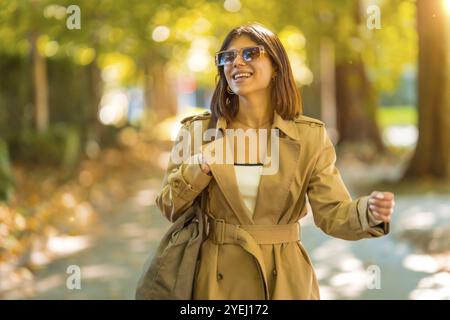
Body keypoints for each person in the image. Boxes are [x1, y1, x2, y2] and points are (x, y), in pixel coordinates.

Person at [155, 22, 395, 300]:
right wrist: (199, 166)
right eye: (228, 57)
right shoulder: (196, 132)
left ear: (276, 67)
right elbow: (169, 204)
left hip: (284, 281)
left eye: (250, 54)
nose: (236, 63)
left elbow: (331, 213)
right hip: (214, 283)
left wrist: (369, 213)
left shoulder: (309, 136)